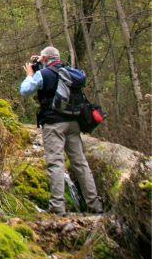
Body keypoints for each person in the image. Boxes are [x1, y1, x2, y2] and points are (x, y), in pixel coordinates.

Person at [20, 46, 103, 215]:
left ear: (45, 59)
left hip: (54, 124)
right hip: (74, 123)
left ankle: (57, 206)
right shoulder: (70, 73)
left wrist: (30, 75)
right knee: (80, 163)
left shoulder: (44, 75)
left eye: (41, 59)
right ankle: (95, 205)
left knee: (56, 162)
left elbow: (25, 90)